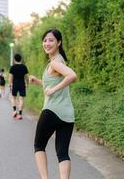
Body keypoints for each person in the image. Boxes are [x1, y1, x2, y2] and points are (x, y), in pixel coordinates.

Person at [29, 28, 77, 179]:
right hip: (67, 114)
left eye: (51, 40)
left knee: (39, 146)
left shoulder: (55, 62)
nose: (47, 43)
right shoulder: (59, 61)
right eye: (45, 40)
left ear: (59, 42)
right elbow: (50, 85)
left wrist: (54, 89)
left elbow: (72, 75)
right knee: (62, 153)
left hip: (51, 111)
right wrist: (38, 81)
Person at [9, 53, 29, 120]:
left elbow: (11, 77)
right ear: (21, 59)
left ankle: (14, 111)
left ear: (14, 59)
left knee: (13, 98)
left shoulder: (12, 67)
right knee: (21, 99)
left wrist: (10, 84)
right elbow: (26, 77)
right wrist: (27, 84)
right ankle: (20, 114)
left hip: (15, 84)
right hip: (22, 84)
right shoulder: (24, 67)